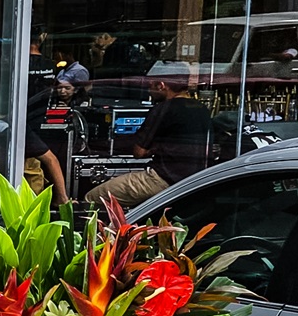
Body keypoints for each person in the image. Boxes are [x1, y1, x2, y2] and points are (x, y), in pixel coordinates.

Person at [86, 61, 212, 208]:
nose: (148, 90)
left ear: (161, 85)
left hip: (163, 179)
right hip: (194, 181)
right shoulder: (202, 109)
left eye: (150, 85)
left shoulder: (164, 108)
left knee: (93, 198)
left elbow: (139, 152)